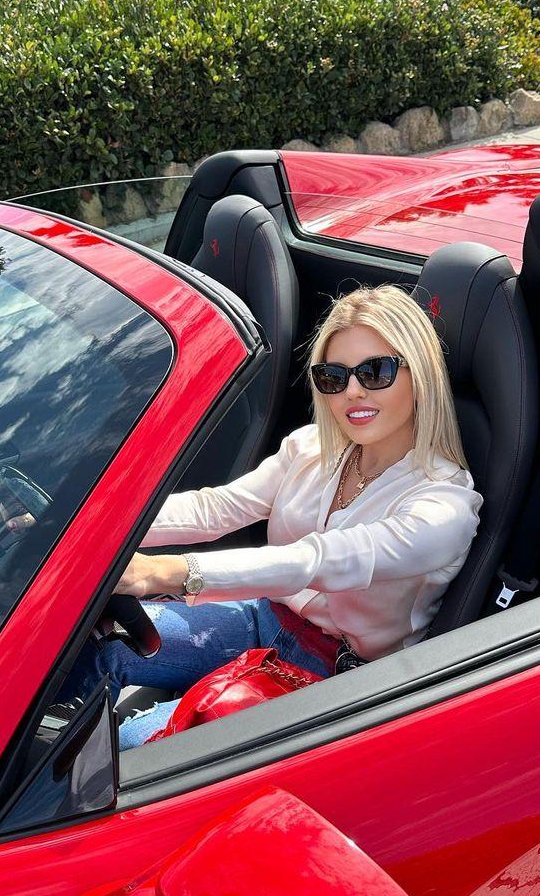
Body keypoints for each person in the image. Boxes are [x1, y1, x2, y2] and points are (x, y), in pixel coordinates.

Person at [67, 284, 483, 748]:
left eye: (376, 371)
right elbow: (217, 508)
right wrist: (88, 525)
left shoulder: (443, 506)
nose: (352, 391)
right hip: (263, 617)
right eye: (334, 377)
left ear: (419, 374)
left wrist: (168, 571)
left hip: (333, 675)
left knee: (125, 753)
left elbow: (316, 561)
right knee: (93, 647)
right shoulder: (311, 448)